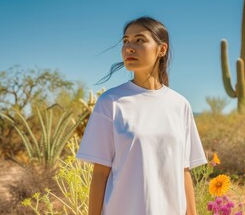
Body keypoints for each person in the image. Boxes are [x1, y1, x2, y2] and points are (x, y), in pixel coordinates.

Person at [76, 16, 207, 215]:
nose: (129, 47)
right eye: (126, 41)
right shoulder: (110, 102)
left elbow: (184, 172)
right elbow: (100, 174)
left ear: (161, 49)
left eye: (139, 40)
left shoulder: (180, 105)